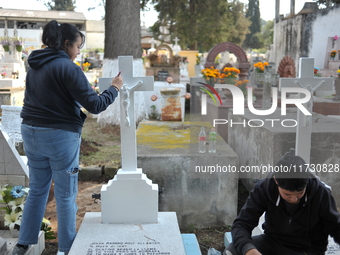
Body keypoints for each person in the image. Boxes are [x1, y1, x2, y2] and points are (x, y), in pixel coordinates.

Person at [13, 20, 122, 255]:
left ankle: (23, 244)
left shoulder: (35, 65)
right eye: (78, 46)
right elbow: (94, 105)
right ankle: (66, 248)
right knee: (65, 194)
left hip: (31, 132)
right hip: (60, 136)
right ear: (66, 44)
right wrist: (114, 88)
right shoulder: (68, 68)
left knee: (38, 190)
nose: (79, 51)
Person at [224, 152, 340, 255]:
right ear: (276, 181)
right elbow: (241, 224)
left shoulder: (320, 193)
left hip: (306, 249)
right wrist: (249, 250)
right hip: (272, 242)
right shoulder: (264, 189)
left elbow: (336, 226)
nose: (294, 199)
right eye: (287, 194)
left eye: (300, 193)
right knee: (232, 251)